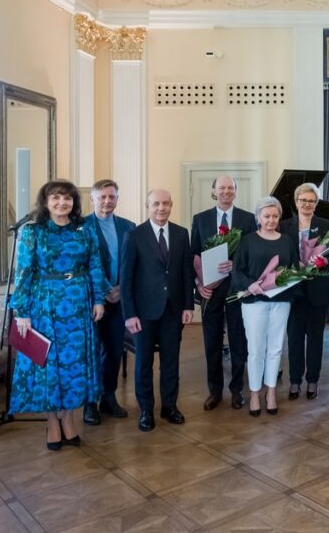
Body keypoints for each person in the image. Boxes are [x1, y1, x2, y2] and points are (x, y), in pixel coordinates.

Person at [11, 179, 107, 451]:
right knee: (49, 365)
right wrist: (22, 311)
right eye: (55, 198)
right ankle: (52, 421)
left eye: (67, 198)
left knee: (75, 365)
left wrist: (99, 299)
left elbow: (95, 265)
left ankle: (69, 419)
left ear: (74, 202)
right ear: (45, 202)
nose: (62, 203)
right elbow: (23, 272)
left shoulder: (84, 229)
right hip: (44, 306)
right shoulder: (33, 232)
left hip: (79, 305)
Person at [120, 188, 196, 432]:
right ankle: (146, 410)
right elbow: (126, 278)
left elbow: (187, 273)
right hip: (143, 313)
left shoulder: (182, 234)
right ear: (148, 206)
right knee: (143, 364)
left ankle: (169, 406)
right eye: (156, 204)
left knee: (171, 362)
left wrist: (188, 305)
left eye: (165, 203)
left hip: (173, 311)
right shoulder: (134, 236)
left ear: (171, 204)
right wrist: (129, 314)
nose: (161, 208)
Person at [191, 175, 257, 412]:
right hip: (211, 291)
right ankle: (215, 390)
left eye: (231, 188)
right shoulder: (200, 219)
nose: (226, 191)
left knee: (239, 340)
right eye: (222, 188)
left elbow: (253, 254)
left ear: (236, 192)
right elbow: (194, 255)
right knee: (212, 342)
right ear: (214, 191)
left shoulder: (248, 219)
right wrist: (198, 283)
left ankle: (237, 389)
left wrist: (235, 263)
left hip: (238, 289)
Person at [231, 196, 300, 416]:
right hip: (254, 301)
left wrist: (286, 281)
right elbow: (237, 271)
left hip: (280, 300)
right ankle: (254, 393)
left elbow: (293, 268)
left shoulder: (287, 240)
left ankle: (271, 392)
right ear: (258, 217)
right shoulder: (247, 240)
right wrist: (250, 285)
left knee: (276, 348)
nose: (271, 220)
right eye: (267, 216)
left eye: (275, 216)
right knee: (256, 350)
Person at [83, 178, 135, 426]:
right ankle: (90, 403)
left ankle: (108, 397)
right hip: (91, 301)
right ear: (92, 198)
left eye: (111, 197)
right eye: (102, 197)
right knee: (92, 352)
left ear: (117, 199)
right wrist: (104, 291)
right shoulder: (80, 227)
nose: (107, 201)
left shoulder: (128, 226)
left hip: (118, 300)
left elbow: (133, 263)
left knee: (114, 351)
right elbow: (82, 266)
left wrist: (120, 291)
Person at [279, 183, 329, 401]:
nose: (307, 204)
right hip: (292, 290)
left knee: (316, 338)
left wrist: (325, 260)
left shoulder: (326, 224)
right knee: (293, 338)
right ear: (296, 201)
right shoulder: (284, 226)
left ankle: (312, 379)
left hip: (317, 289)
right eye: (303, 200)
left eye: (311, 201)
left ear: (316, 203)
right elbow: (279, 255)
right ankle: (294, 381)